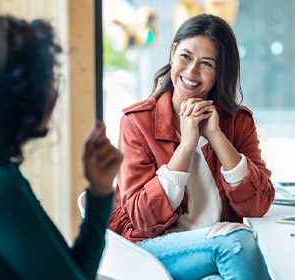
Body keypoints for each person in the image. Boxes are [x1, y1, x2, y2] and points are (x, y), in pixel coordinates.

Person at [0, 15, 123, 279]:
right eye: (50, 81)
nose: (53, 94)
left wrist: (100, 190)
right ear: (18, 95)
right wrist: (100, 196)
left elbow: (73, 272)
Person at [109, 13, 274, 280]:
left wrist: (216, 136)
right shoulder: (137, 122)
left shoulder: (238, 122)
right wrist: (186, 146)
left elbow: (258, 204)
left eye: (206, 63)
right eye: (186, 56)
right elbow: (142, 218)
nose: (192, 72)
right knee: (238, 242)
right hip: (151, 249)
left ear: (221, 71)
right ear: (173, 52)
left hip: (211, 251)